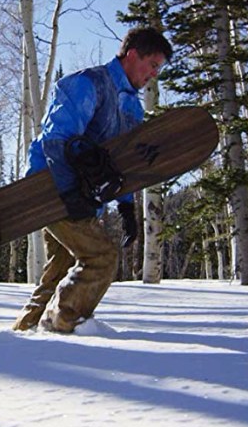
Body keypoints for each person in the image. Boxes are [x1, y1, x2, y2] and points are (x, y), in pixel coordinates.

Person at [12, 26, 173, 333]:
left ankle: (22, 335)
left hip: (83, 198)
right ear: (132, 54)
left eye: (158, 69)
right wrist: (68, 194)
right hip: (50, 188)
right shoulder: (88, 83)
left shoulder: (132, 107)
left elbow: (121, 162)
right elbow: (56, 140)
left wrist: (127, 208)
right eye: (152, 65)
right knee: (101, 257)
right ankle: (60, 325)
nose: (154, 74)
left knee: (59, 270)